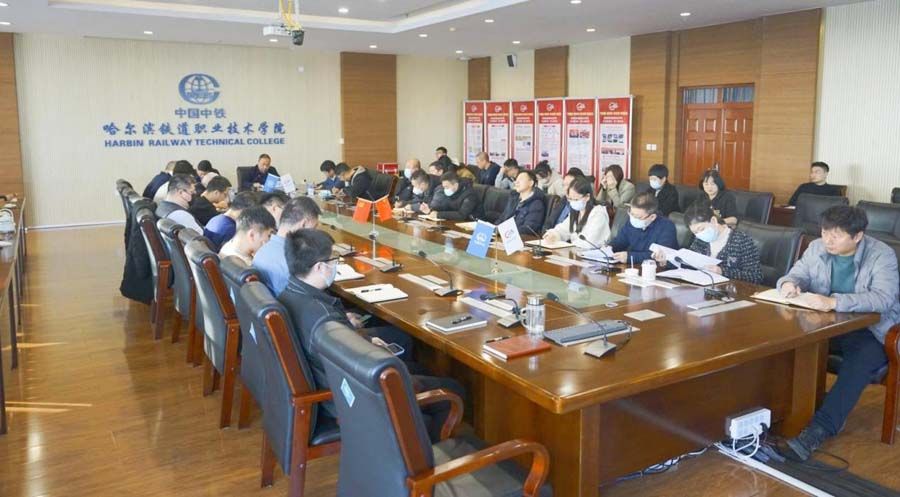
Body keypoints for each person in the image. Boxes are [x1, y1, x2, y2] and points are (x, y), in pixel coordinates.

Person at [277, 228, 465, 442]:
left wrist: (363, 340)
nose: (336, 265)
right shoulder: (324, 318)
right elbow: (354, 361)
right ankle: (425, 454)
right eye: (333, 260)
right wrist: (371, 349)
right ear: (320, 267)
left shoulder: (290, 294)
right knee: (452, 389)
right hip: (351, 397)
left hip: (329, 381)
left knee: (418, 366)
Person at [777, 206, 900, 462]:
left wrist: (834, 302)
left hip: (870, 329)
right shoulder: (816, 248)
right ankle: (779, 411)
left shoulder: (881, 254)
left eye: (837, 235)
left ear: (858, 236)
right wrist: (789, 283)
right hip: (825, 323)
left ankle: (819, 429)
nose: (828, 240)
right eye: (824, 232)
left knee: (859, 362)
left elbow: (883, 298)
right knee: (783, 342)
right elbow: (797, 273)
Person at [660, 202, 762, 284]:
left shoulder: (741, 241)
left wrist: (722, 271)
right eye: (695, 232)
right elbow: (689, 263)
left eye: (701, 229)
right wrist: (667, 261)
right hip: (703, 290)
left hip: (731, 293)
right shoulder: (700, 240)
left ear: (713, 220)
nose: (699, 234)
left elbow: (755, 276)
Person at [253, 197, 321, 296]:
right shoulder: (292, 262)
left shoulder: (261, 251)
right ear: (304, 224)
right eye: (314, 227)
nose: (314, 233)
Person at [606, 192, 678, 264]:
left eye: (638, 217)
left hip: (655, 268)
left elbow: (660, 256)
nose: (633, 219)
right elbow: (620, 242)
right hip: (631, 267)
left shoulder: (666, 227)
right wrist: (608, 248)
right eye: (631, 214)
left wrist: (630, 257)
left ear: (652, 217)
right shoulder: (632, 222)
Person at [543, 178, 610, 249]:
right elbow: (563, 229)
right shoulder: (576, 211)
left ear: (587, 197)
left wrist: (569, 245)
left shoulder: (598, 214)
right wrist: (553, 234)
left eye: (576, 199)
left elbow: (589, 243)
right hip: (576, 251)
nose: (573, 202)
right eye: (570, 199)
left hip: (593, 253)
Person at [498, 170, 547, 235]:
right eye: (516, 179)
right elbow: (503, 217)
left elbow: (528, 228)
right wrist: (495, 228)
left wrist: (504, 232)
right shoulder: (514, 199)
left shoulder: (536, 204)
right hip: (503, 235)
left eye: (521, 179)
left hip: (517, 237)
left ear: (531, 183)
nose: (516, 182)